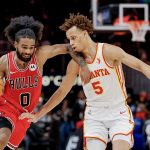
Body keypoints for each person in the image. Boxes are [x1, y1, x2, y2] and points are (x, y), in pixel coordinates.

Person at [20, 13, 150, 150]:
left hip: (118, 112)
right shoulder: (75, 64)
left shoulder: (108, 52)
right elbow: (62, 91)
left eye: (74, 38)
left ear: (85, 33)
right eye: (69, 39)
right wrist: (38, 115)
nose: (71, 43)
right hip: (94, 115)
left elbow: (141, 66)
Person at [0, 15, 90, 150]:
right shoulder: (4, 62)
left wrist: (83, 66)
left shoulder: (40, 54)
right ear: (15, 44)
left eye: (31, 47)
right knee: (2, 137)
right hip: (6, 108)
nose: (28, 51)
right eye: (24, 47)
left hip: (25, 115)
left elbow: (70, 47)